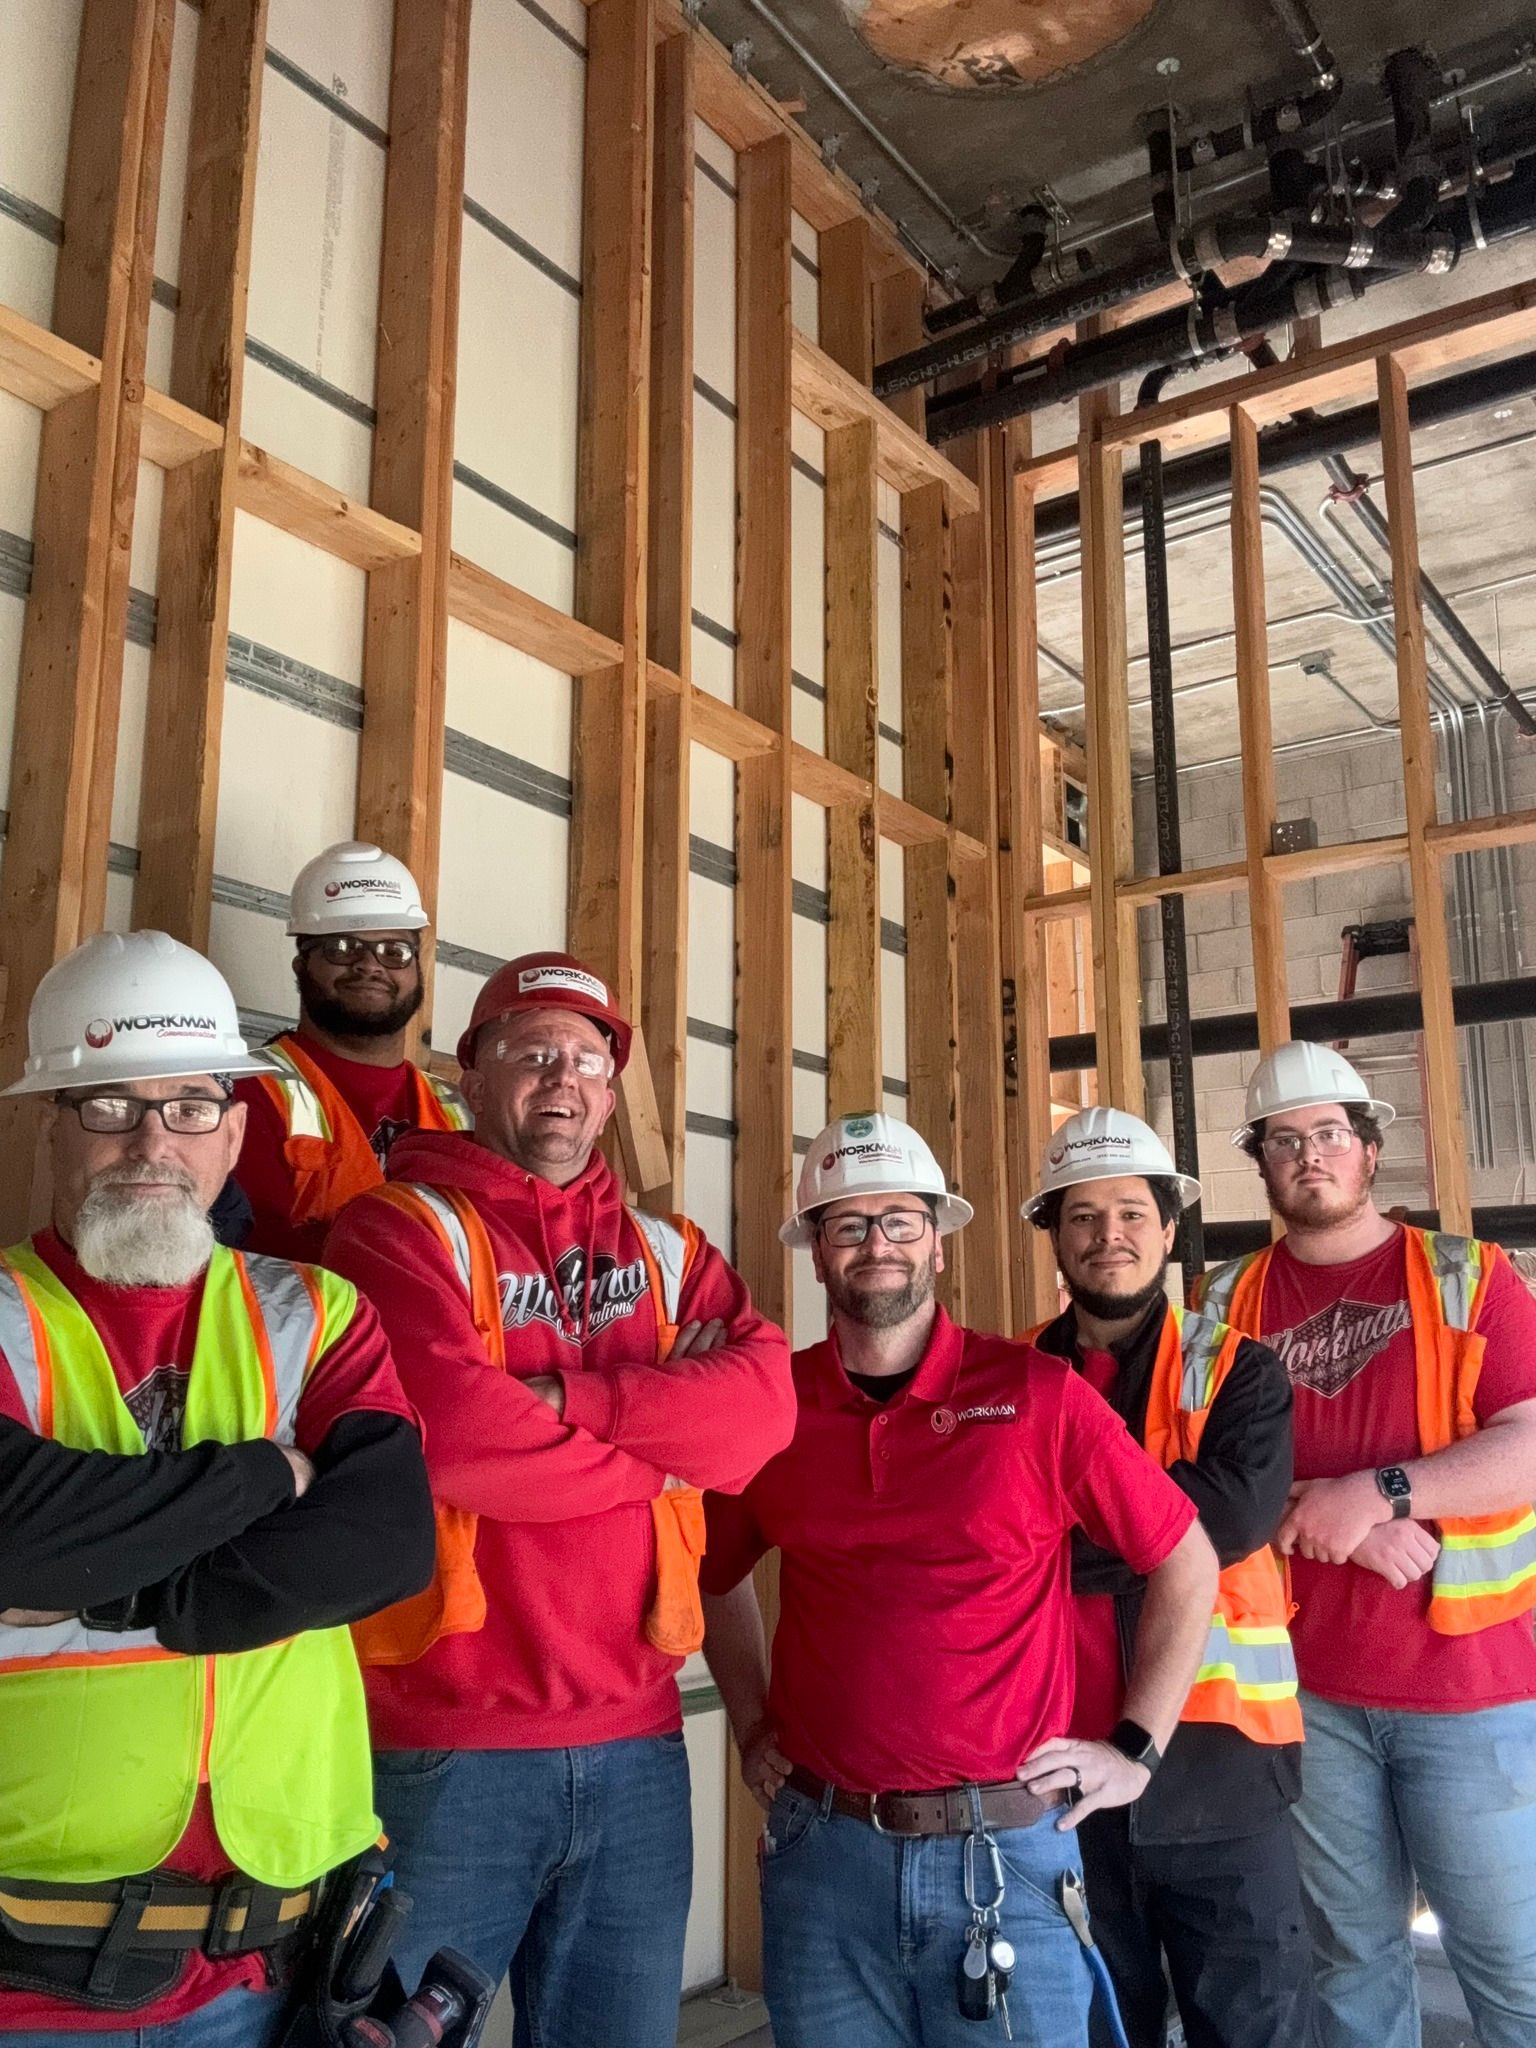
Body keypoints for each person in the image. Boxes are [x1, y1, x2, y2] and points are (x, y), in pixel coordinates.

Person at [322, 950, 795, 2048]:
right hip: (444, 1750)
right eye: (533, 1053)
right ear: (472, 1073)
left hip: (640, 1743)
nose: (564, 1079)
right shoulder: (400, 1230)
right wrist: (666, 1446)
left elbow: (763, 1417)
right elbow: (451, 1438)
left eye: (588, 1057)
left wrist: (566, 1398)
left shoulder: (670, 1250)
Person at [699, 1111, 1220, 2048]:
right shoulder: (773, 1410)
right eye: (849, 1225)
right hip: (824, 1857)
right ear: (816, 1253)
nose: (878, 1246)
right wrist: (749, 1724)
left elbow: (1185, 1557)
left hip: (1006, 1855)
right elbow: (712, 1572)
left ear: (937, 1243)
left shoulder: (1038, 1395)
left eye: (900, 1221)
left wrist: (1135, 1750)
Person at [0, 929, 434, 2045]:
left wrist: (121, 1582)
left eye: (192, 1105)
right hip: (35, 1975)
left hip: (273, 1969)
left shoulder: (318, 1310)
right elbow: (12, 1547)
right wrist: (264, 1472)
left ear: (236, 1131)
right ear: (51, 1120)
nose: (154, 1139)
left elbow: (386, 1539)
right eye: (108, 1104)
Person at [1194, 1039, 1536, 2048]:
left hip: (1467, 1688)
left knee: (1510, 1962)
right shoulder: (1228, 1300)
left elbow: (1526, 1445)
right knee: (1349, 1964)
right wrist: (1334, 1509)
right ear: (1260, 1161)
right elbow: (1192, 1470)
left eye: (1330, 1133)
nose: (1310, 1154)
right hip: (1304, 1689)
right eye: (1284, 1138)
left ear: (1370, 1149)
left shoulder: (1468, 1274)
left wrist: (1383, 1492)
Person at [1024, 1106, 1310, 2048]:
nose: (1110, 1236)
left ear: (1168, 1227)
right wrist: (1148, 1520)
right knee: (1100, 2028)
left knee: (1254, 2029)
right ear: (1054, 1237)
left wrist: (1044, 1537)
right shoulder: (1010, 1378)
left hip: (1221, 1772)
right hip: (1059, 1774)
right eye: (1084, 1217)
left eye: (1133, 1215)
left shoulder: (1241, 1372)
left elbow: (1229, 1517)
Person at [234, 842, 469, 1261]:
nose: (369, 965)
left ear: (417, 970)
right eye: (341, 947)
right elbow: (254, 1264)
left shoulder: (460, 1108)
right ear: (300, 965)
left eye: (394, 951)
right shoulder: (249, 1092)